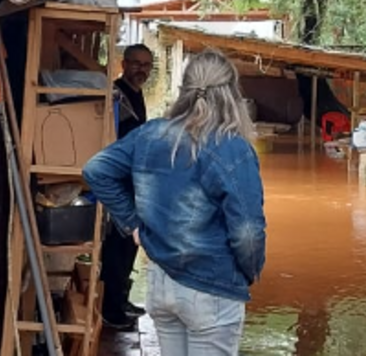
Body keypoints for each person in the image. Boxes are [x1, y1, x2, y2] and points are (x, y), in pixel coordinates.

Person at [84, 49, 267, 355]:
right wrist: (249, 272)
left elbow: (96, 170)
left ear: (185, 89)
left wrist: (133, 224)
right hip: (212, 289)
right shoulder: (233, 148)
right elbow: (248, 232)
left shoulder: (151, 133)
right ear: (232, 93)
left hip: (161, 282)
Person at [100, 43, 154, 329]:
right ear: (124, 63)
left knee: (130, 244)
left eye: (146, 65)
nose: (141, 70)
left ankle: (121, 299)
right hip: (120, 184)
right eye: (136, 63)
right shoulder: (118, 95)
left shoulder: (136, 94)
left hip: (134, 182)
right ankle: (110, 309)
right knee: (117, 246)